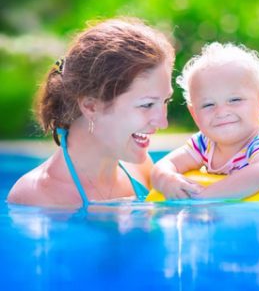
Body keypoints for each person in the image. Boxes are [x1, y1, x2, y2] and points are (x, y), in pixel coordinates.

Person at [7, 17, 175, 207]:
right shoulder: (37, 196)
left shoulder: (141, 170)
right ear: (90, 106)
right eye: (147, 105)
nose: (163, 122)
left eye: (166, 101)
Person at [151, 42, 259, 200]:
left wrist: (203, 198)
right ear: (194, 113)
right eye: (208, 104)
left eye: (235, 100)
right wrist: (168, 180)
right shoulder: (204, 144)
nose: (221, 112)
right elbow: (162, 166)